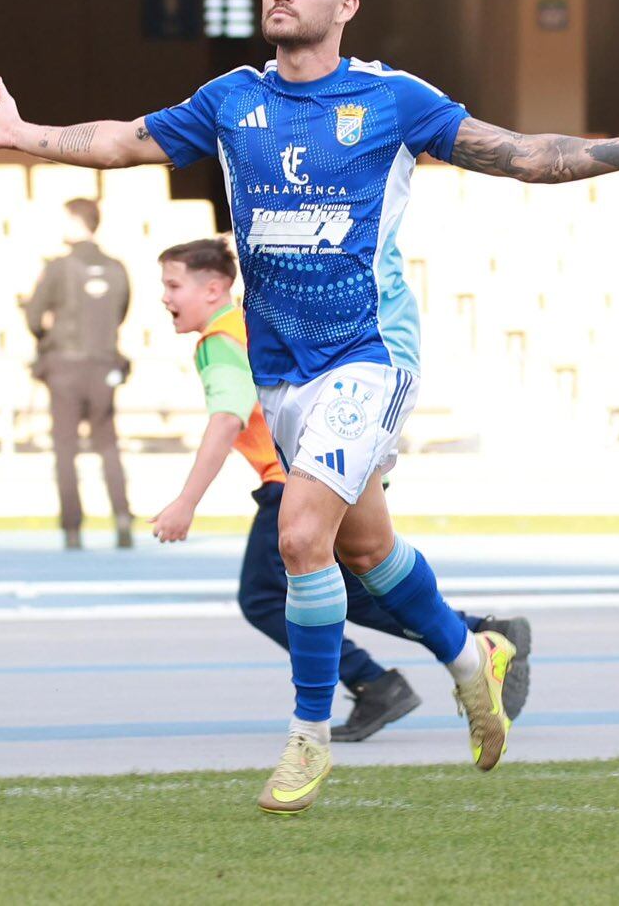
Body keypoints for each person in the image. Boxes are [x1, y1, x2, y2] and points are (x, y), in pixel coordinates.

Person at [0, 0, 619, 814]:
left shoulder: (393, 100)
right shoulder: (231, 99)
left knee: (301, 536)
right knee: (367, 549)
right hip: (282, 369)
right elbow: (123, 140)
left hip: (369, 353)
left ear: (346, 4)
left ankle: (307, 736)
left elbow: (520, 155)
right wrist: (21, 134)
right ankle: (474, 656)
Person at [148, 237, 531, 742]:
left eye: (173, 285)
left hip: (294, 481)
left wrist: (186, 502)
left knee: (265, 597)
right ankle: (472, 637)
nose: (165, 297)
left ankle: (373, 683)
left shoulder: (221, 341)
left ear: (214, 289)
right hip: (338, 465)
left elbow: (227, 418)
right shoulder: (251, 325)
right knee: (355, 587)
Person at [23, 196, 133, 551]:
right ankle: (122, 519)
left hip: (65, 367)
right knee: (108, 445)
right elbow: (120, 313)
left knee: (65, 448)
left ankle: (72, 528)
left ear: (75, 221)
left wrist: (46, 338)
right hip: (104, 366)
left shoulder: (59, 267)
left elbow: (33, 317)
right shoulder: (117, 268)